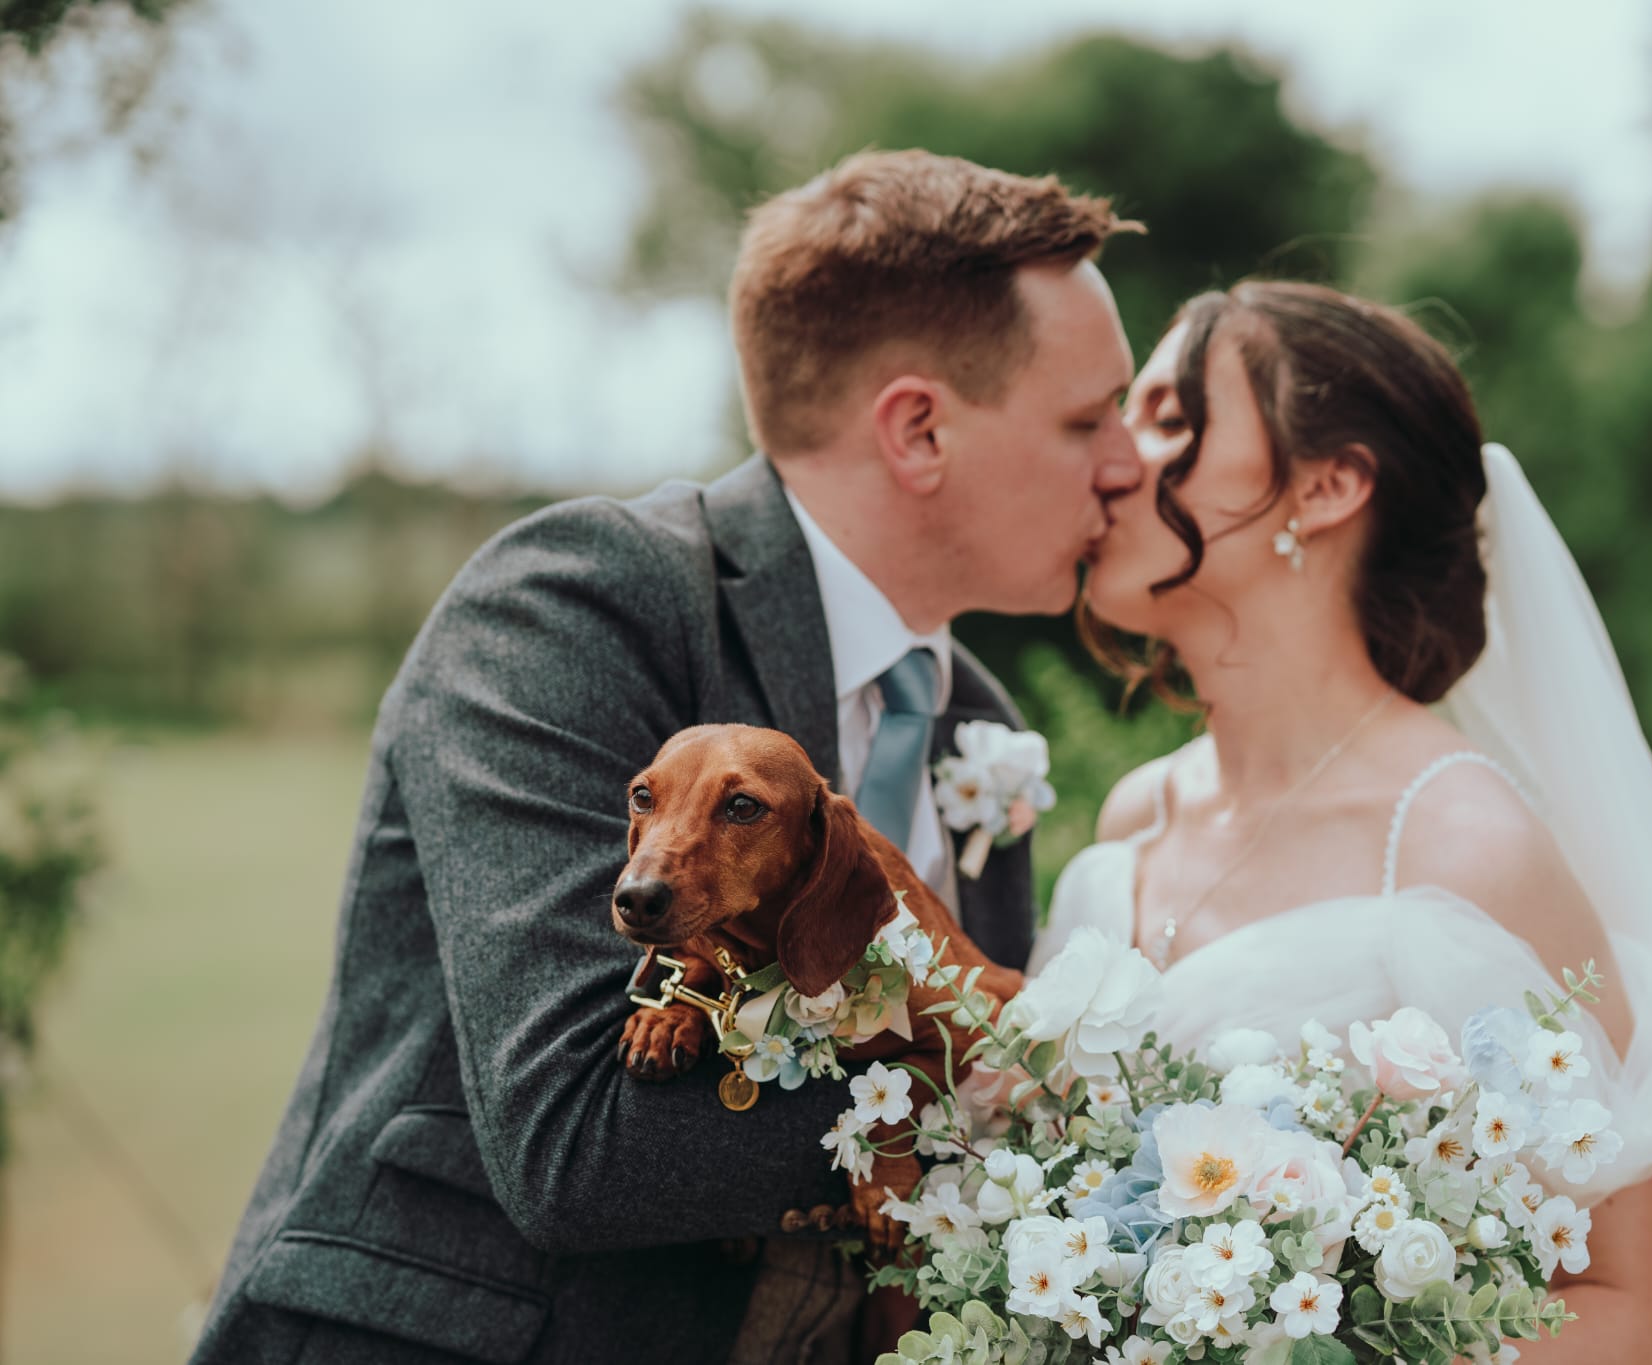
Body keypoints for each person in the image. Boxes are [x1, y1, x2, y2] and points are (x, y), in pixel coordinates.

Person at [190, 149, 1144, 1365]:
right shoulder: (575, 605)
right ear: (916, 431)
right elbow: (581, 1143)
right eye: (1087, 416)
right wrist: (1020, 1086)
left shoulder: (976, 723)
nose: (1125, 462)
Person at [1030, 280, 1652, 1362]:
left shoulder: (1458, 848)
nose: (1112, 459)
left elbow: (1614, 1299)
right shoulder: (1131, 820)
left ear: (1325, 485)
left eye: (1168, 417)